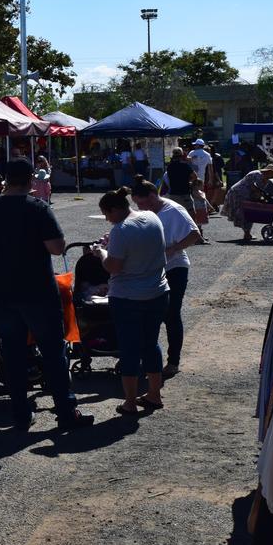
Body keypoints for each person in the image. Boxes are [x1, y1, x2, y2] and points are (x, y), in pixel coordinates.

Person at [0, 158, 93, 432]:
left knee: (14, 354)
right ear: (31, 179)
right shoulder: (38, 208)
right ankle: (65, 412)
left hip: (3, 292)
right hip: (37, 291)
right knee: (53, 353)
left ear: (6, 180)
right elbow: (56, 248)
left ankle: (21, 414)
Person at [90, 187, 169, 416]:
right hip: (158, 291)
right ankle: (154, 394)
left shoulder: (121, 230)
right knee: (151, 343)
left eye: (106, 214)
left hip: (128, 296)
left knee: (130, 348)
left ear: (115, 209)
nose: (107, 219)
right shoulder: (151, 217)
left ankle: (130, 402)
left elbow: (113, 266)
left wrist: (101, 253)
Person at [130, 178, 201, 379]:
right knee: (148, 313)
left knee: (171, 314)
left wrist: (172, 249)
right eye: (136, 204)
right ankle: (148, 358)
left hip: (175, 268)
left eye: (141, 203)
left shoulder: (173, 210)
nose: (139, 207)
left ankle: (173, 362)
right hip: (152, 269)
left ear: (153, 196)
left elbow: (194, 234)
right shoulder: (146, 212)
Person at [223, 166, 273, 241]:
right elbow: (255, 188)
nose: (272, 177)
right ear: (269, 172)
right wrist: (261, 198)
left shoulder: (262, 176)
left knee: (247, 213)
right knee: (247, 213)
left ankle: (247, 233)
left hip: (242, 193)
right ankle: (247, 234)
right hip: (239, 193)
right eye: (272, 174)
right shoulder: (258, 175)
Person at [163, 148, 197, 218]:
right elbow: (195, 176)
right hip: (185, 193)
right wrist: (189, 181)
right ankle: (192, 228)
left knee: (176, 214)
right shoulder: (185, 166)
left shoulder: (169, 167)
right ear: (182, 155)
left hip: (173, 193)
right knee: (191, 213)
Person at [207, 144, 227, 211]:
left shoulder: (208, 157)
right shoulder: (217, 156)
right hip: (217, 174)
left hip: (212, 174)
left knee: (212, 190)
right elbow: (222, 165)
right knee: (216, 190)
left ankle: (213, 203)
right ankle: (214, 203)